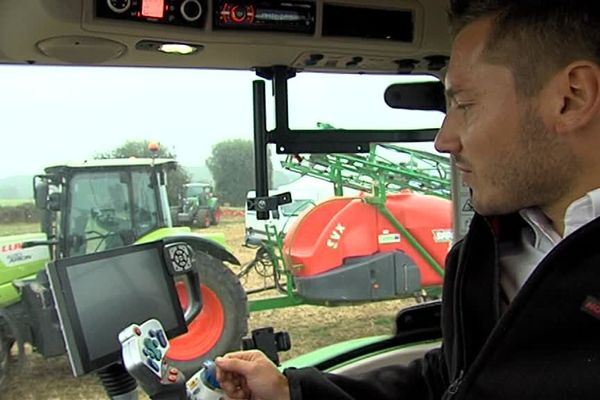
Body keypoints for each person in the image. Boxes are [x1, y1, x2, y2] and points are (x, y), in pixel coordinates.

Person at [215, 1, 600, 398]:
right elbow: (449, 381)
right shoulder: (488, 252)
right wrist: (290, 393)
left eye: (465, 105)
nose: (443, 140)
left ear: (571, 97)